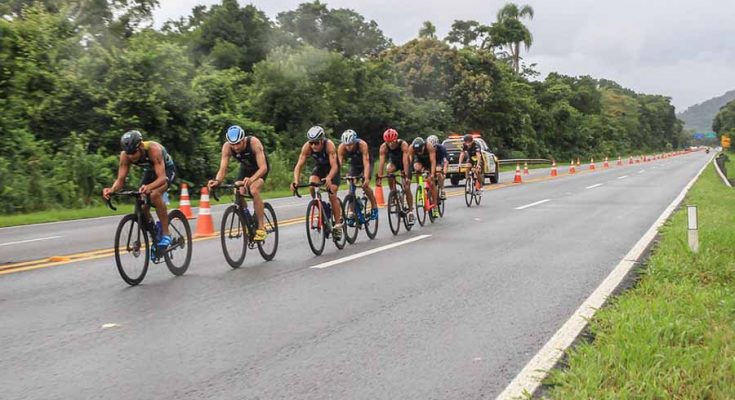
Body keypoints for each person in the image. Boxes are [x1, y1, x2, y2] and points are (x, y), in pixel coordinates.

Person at [103, 130, 177, 249]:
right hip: (150, 171)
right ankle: (154, 231)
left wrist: (149, 187)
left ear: (141, 146)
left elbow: (162, 178)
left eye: (134, 152)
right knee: (141, 203)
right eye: (128, 153)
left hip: (166, 170)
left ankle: (166, 233)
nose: (131, 156)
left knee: (154, 194)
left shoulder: (154, 150)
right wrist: (112, 190)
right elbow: (120, 180)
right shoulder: (125, 156)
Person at [208, 125, 270, 241]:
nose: (235, 147)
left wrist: (251, 179)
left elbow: (263, 168)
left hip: (259, 169)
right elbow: (223, 169)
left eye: (238, 143)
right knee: (238, 188)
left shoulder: (254, 143)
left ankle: (261, 227)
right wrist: (217, 181)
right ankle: (247, 217)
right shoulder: (227, 147)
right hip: (245, 168)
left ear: (243, 139)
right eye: (233, 144)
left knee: (254, 189)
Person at [290, 126, 343, 239]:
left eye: (316, 143)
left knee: (332, 194)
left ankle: (338, 225)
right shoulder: (307, 147)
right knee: (312, 184)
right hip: (320, 167)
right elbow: (299, 165)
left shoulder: (329, 145)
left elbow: (334, 166)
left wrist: (329, 178)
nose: (313, 146)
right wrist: (295, 181)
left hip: (332, 169)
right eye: (311, 143)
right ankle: (322, 207)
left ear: (322, 140)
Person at [337, 129, 378, 222]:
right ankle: (352, 212)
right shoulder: (341, 147)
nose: (348, 147)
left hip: (366, 164)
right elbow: (338, 164)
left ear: (355, 141)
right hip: (355, 165)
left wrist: (366, 178)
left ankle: (374, 206)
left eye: (350, 144)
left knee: (365, 186)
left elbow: (366, 162)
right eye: (346, 145)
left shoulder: (362, 144)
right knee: (351, 189)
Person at [376, 128, 414, 225]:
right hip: (394, 163)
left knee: (406, 187)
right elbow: (381, 162)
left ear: (396, 139)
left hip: (404, 164)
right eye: (388, 142)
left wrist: (406, 175)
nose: (391, 144)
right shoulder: (383, 147)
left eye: (392, 142)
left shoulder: (403, 144)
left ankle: (410, 211)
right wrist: (379, 177)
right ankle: (393, 191)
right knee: (388, 170)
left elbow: (405, 161)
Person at [408, 137, 439, 218]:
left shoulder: (429, 146)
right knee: (416, 168)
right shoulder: (411, 148)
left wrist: (432, 174)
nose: (419, 152)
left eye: (420, 150)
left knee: (431, 183)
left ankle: (435, 207)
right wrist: (409, 176)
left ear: (423, 146)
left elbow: (433, 161)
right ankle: (420, 187)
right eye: (417, 151)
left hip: (429, 162)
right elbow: (410, 163)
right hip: (419, 161)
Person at [426, 135, 448, 199]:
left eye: (434, 146)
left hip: (439, 161)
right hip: (430, 162)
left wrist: (444, 173)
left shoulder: (442, 148)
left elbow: (445, 162)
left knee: (438, 173)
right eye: (430, 146)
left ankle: (442, 190)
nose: (432, 148)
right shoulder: (426, 148)